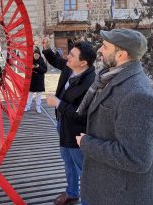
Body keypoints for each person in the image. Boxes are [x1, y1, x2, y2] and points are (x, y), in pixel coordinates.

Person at [76, 28, 153, 205]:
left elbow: (137, 158)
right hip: (105, 188)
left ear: (122, 54)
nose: (99, 50)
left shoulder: (137, 95)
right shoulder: (107, 77)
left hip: (122, 196)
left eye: (105, 47)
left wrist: (87, 144)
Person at [42, 37, 96, 205]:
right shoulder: (70, 68)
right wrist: (46, 49)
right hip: (63, 124)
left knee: (83, 169)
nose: (68, 57)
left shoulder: (91, 83)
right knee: (67, 161)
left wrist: (58, 103)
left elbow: (81, 114)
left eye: (72, 55)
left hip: (78, 133)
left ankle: (89, 201)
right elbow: (56, 60)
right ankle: (72, 192)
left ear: (83, 63)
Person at [24, 49, 47, 113]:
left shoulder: (42, 61)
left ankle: (38, 107)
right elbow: (26, 68)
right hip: (32, 80)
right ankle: (28, 106)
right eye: (35, 55)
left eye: (37, 55)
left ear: (39, 55)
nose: (36, 56)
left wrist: (39, 67)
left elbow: (45, 70)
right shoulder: (30, 60)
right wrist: (30, 67)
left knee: (39, 94)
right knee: (30, 94)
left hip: (39, 80)